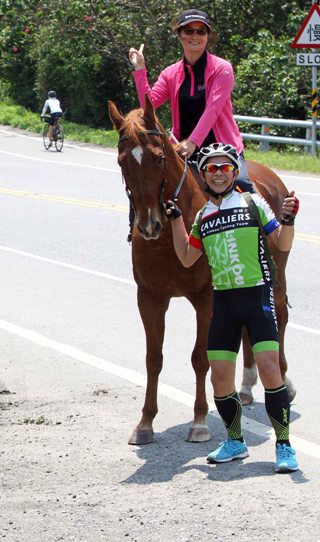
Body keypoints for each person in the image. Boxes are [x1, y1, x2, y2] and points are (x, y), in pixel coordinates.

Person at [164, 143, 300, 473]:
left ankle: (284, 446)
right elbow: (186, 257)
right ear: (205, 175)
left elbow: (281, 242)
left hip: (257, 298)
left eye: (225, 168)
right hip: (223, 302)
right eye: (212, 169)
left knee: (269, 369)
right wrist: (176, 220)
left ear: (234, 172)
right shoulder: (203, 217)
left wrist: (288, 219)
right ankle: (235, 441)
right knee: (220, 378)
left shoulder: (253, 203)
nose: (219, 174)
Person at [128, 9, 254, 192]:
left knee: (242, 185)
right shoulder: (170, 73)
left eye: (201, 31)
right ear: (179, 34)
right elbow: (149, 105)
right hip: (182, 150)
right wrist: (140, 69)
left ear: (208, 36)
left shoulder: (222, 69)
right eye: (188, 30)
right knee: (148, 188)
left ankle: (262, 219)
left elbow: (212, 110)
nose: (195, 36)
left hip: (222, 150)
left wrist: (193, 142)